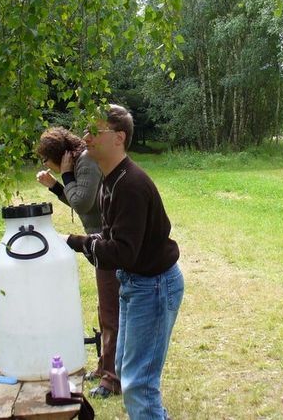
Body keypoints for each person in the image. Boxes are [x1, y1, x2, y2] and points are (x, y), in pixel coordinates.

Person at [66, 104, 184, 420]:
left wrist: (76, 242)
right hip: (135, 281)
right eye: (86, 130)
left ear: (119, 137)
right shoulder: (111, 180)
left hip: (154, 286)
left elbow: (122, 252)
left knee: (137, 384)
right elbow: (111, 238)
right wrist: (83, 243)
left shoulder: (130, 185)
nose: (86, 138)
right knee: (123, 368)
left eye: (95, 131)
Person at [36, 127, 121, 399]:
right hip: (101, 241)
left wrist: (65, 175)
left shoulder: (84, 162)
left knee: (111, 311)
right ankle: (105, 366)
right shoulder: (81, 162)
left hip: (107, 242)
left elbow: (82, 202)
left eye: (45, 159)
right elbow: (79, 200)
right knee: (106, 308)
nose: (45, 164)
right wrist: (56, 186)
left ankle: (112, 378)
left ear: (57, 155)